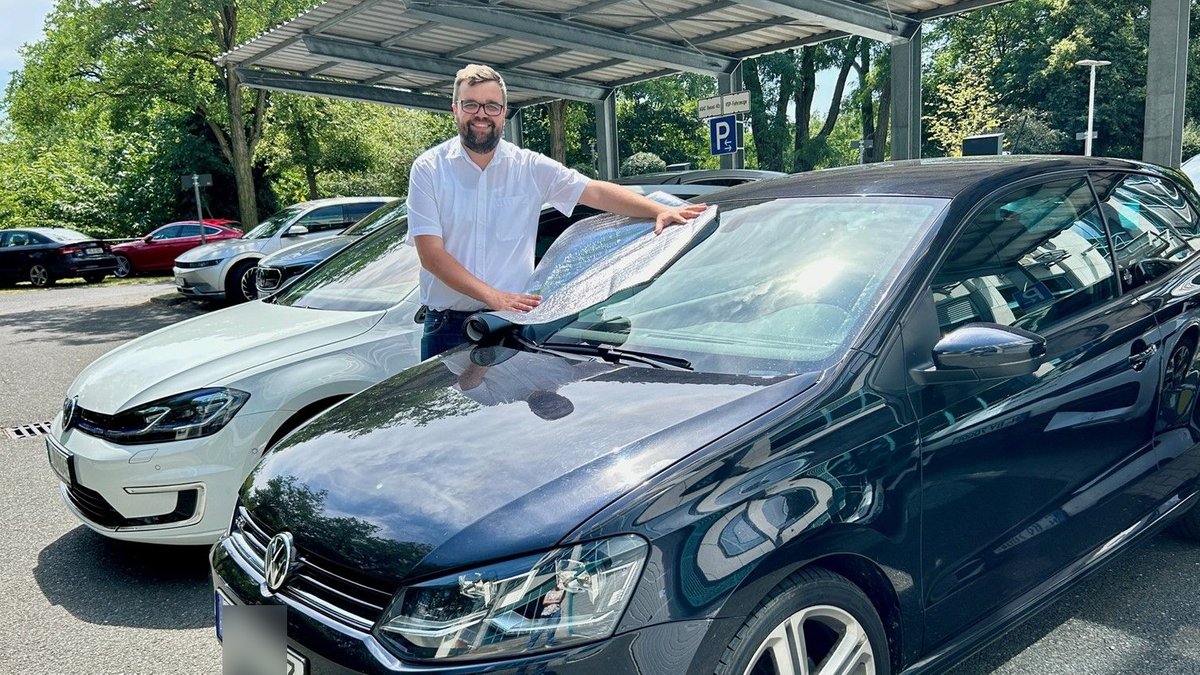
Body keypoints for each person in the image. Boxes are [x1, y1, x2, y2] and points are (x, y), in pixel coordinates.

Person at [407, 63, 708, 360]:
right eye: (471, 105)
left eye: (491, 106)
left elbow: (593, 191)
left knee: (509, 411)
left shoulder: (528, 166)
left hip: (510, 325)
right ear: (455, 109)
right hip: (447, 328)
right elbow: (432, 256)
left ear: (504, 112)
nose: (481, 114)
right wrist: (494, 297)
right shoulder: (429, 169)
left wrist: (657, 209)